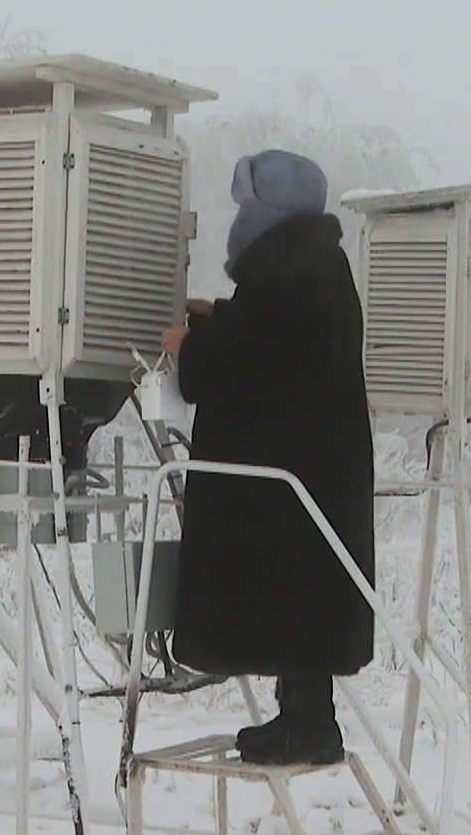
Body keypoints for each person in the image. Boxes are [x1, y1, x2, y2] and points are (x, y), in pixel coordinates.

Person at [159, 149, 376, 766]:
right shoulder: (315, 262)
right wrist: (221, 316)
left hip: (283, 477)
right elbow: (279, 339)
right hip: (313, 470)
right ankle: (305, 721)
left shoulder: (287, 266)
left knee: (291, 591)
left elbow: (257, 359)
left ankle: (306, 727)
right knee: (303, 599)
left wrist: (192, 348)